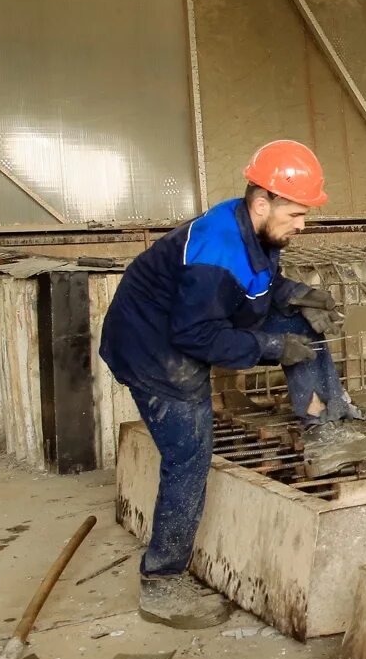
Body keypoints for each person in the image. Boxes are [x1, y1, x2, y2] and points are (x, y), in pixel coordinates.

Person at [99, 140, 348, 629]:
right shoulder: (216, 252)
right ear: (263, 203)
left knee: (302, 323)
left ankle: (326, 428)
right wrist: (272, 349)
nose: (303, 224)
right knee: (189, 455)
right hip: (154, 351)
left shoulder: (254, 229)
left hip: (185, 326)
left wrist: (298, 295)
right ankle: (162, 579)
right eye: (297, 214)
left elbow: (255, 285)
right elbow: (195, 334)